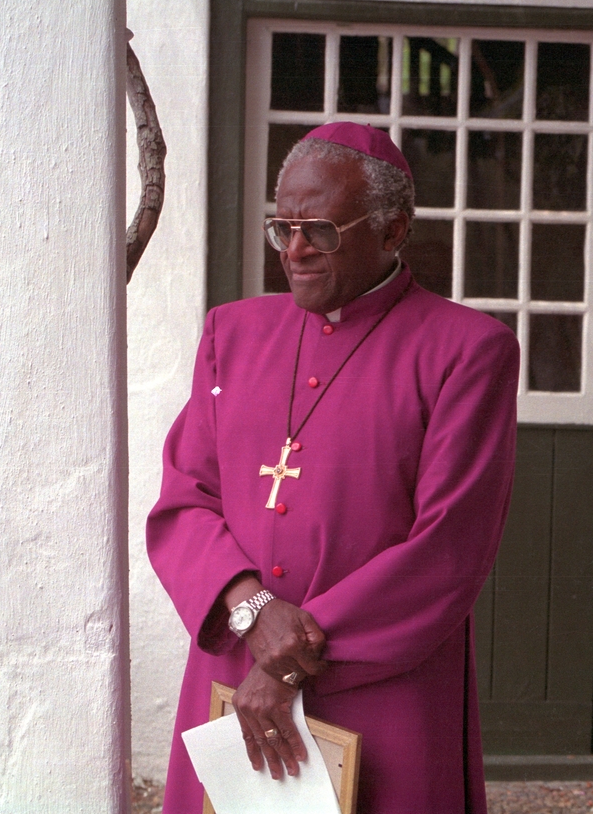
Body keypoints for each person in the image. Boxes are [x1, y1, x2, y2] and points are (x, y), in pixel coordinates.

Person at [148, 122, 519, 813]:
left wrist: (286, 658)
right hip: (235, 660)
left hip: (380, 681)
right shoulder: (232, 333)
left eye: (318, 230)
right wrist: (251, 610)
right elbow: (185, 500)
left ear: (393, 229)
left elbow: (448, 545)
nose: (294, 250)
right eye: (282, 227)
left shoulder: (468, 351)